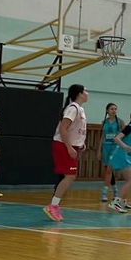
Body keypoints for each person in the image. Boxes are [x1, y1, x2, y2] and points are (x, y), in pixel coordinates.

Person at [44, 83, 88, 222]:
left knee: (68, 176)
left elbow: (74, 130)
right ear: (80, 94)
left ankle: (54, 205)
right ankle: (53, 206)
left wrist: (80, 142)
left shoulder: (80, 109)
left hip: (70, 145)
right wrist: (69, 147)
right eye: (85, 91)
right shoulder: (73, 108)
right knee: (70, 176)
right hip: (63, 145)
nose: (87, 93)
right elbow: (63, 128)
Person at [98, 102, 123, 203]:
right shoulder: (104, 122)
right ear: (107, 111)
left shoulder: (120, 122)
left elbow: (124, 135)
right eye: (112, 109)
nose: (114, 110)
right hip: (106, 147)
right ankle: (115, 190)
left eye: (115, 109)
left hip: (115, 147)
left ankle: (104, 193)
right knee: (108, 170)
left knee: (109, 169)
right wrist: (99, 150)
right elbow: (102, 137)